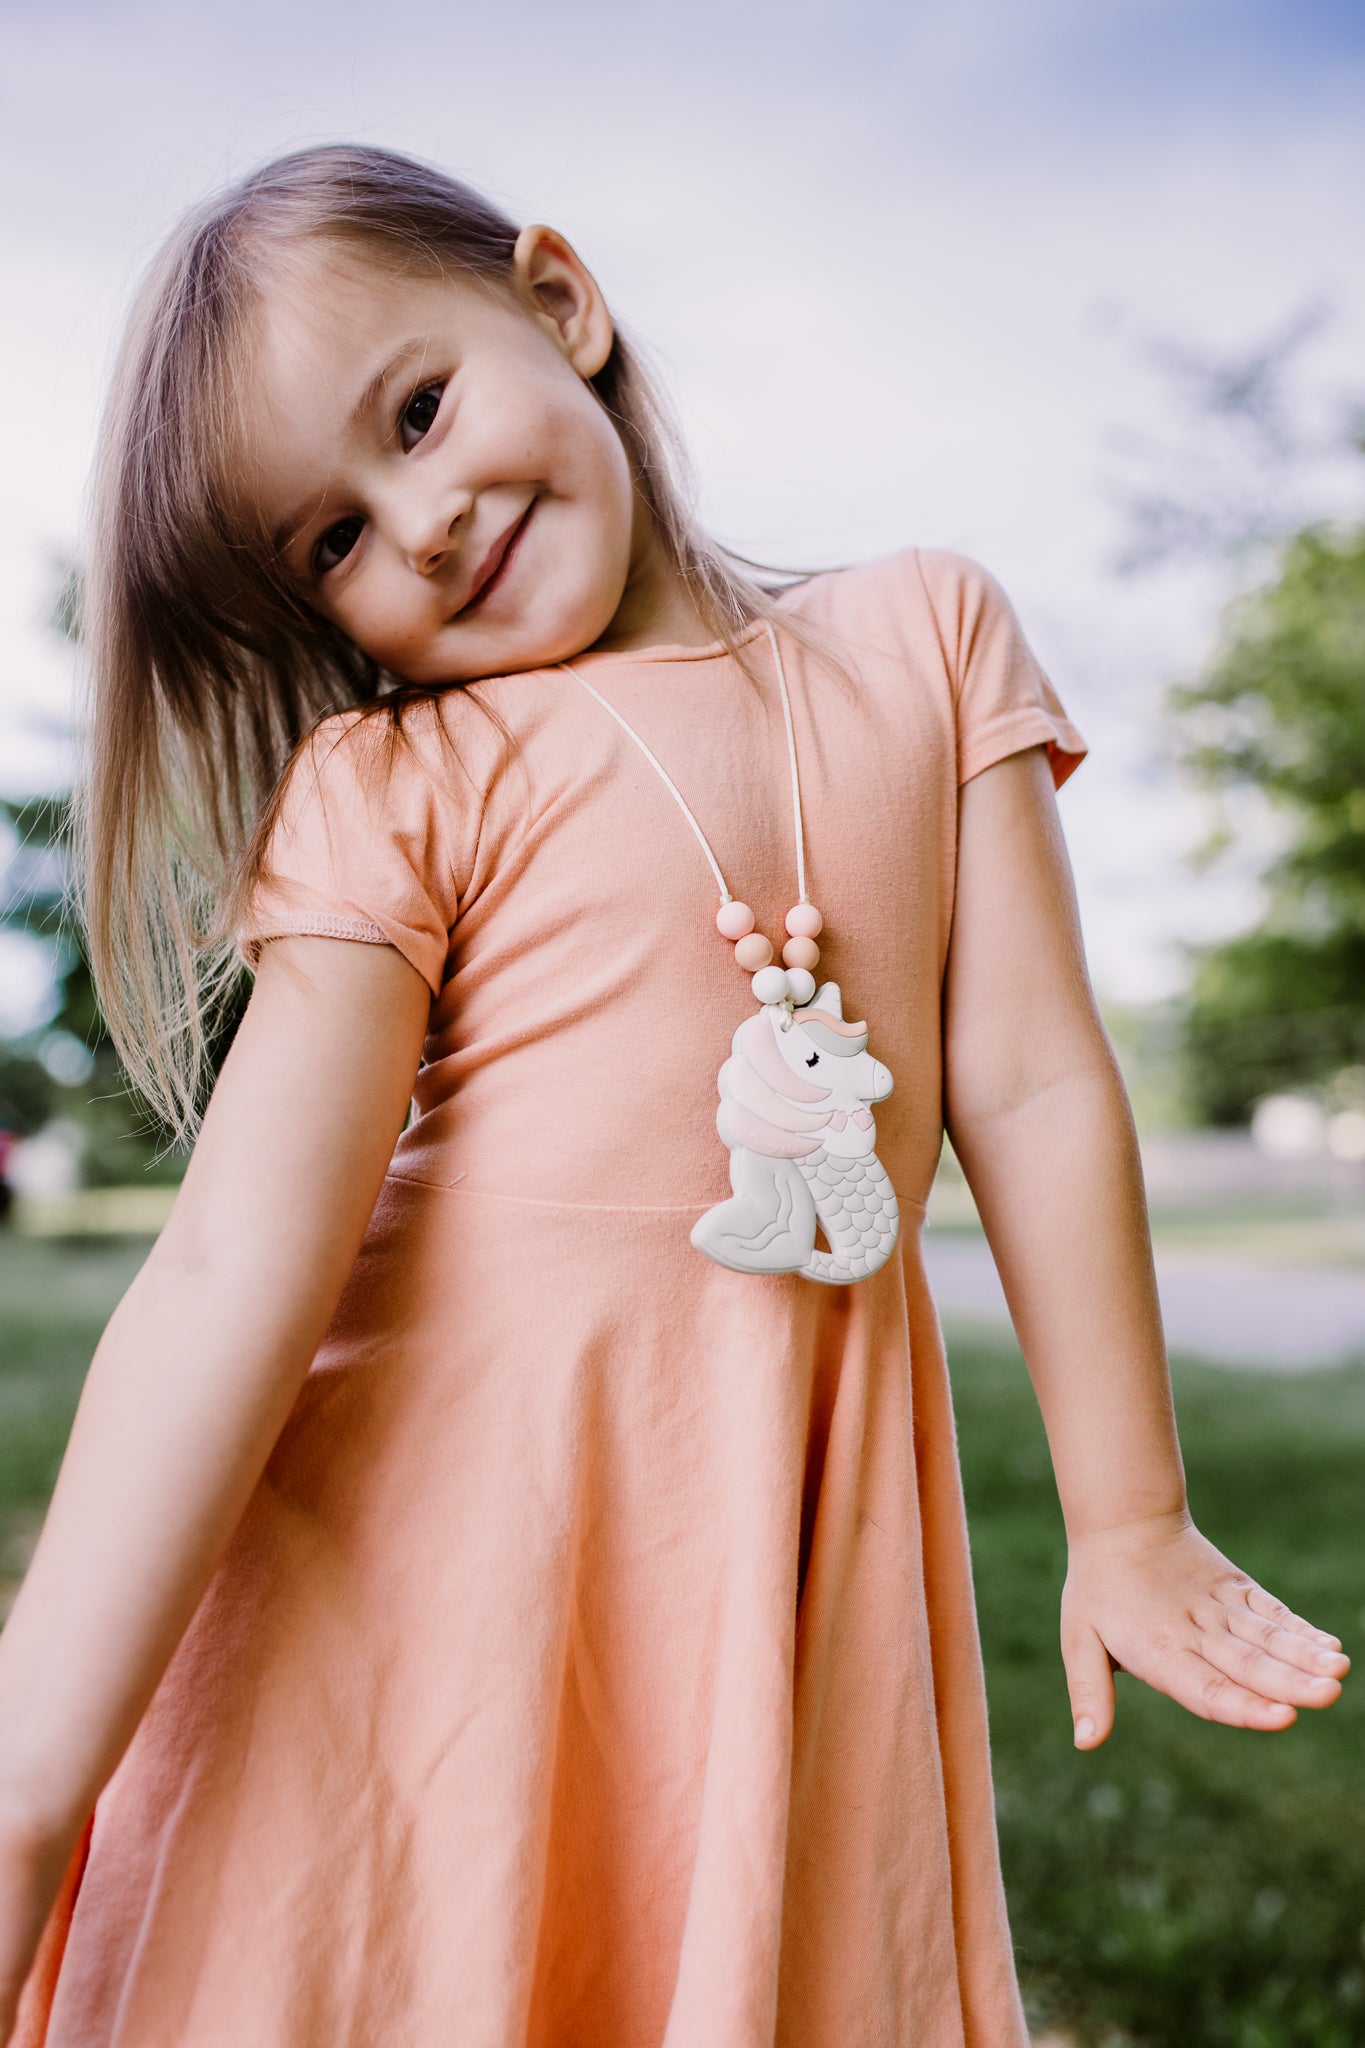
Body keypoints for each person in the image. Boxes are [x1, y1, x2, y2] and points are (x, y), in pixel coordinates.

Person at [0, 144, 1348, 2048]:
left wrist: (1128, 1515)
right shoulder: (401, 787)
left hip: (762, 1528)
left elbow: (1034, 1084)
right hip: (420, 1564)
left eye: (417, 409)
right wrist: (28, 1785)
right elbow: (234, 1264)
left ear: (558, 301)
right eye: (332, 540)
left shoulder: (926, 640)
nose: (426, 518)